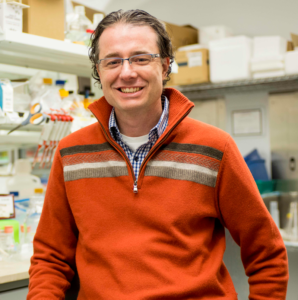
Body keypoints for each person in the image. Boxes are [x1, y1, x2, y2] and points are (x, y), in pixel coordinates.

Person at [27, 9, 288, 300]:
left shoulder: (215, 148)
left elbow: (266, 251)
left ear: (165, 66)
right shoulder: (71, 152)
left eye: (141, 58)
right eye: (112, 61)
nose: (127, 72)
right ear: (99, 72)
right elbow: (50, 259)